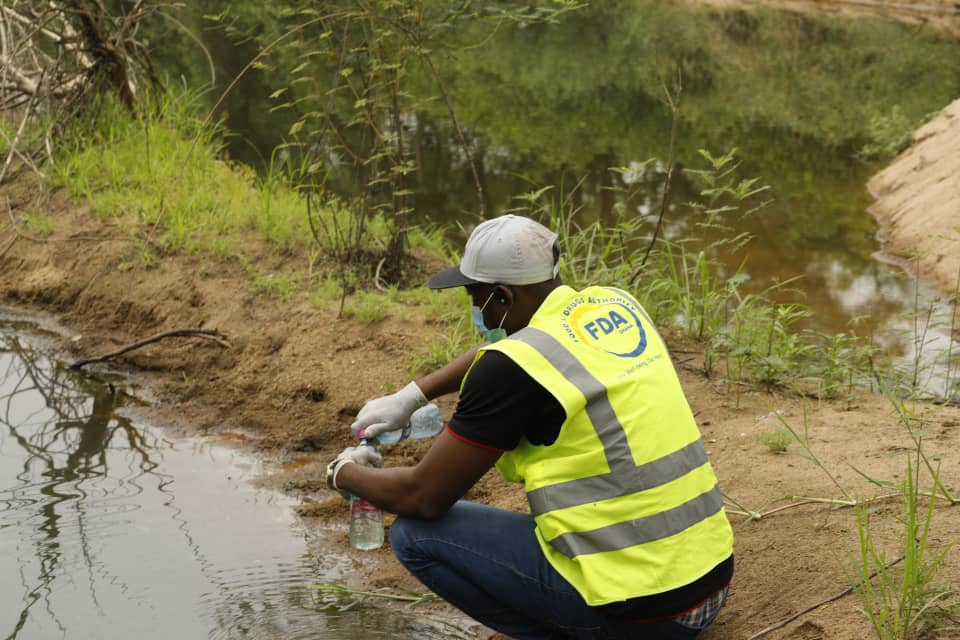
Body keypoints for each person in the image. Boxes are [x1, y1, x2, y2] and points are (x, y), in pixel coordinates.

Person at [326, 214, 734, 639]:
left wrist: (344, 473)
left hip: (641, 616)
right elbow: (515, 347)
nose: (472, 307)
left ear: (501, 295)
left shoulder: (509, 371)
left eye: (474, 295)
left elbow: (422, 496)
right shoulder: (617, 305)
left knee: (415, 536)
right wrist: (413, 395)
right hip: (708, 586)